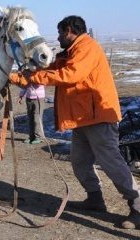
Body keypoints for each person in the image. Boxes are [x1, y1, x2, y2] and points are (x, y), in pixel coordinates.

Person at [9, 16, 140, 229]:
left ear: (69, 30)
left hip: (99, 117)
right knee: (79, 161)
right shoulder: (71, 52)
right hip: (83, 117)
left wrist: (34, 78)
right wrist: (16, 77)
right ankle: (95, 199)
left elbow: (70, 75)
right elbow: (50, 69)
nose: (58, 37)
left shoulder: (87, 48)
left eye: (60, 33)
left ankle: (138, 207)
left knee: (112, 163)